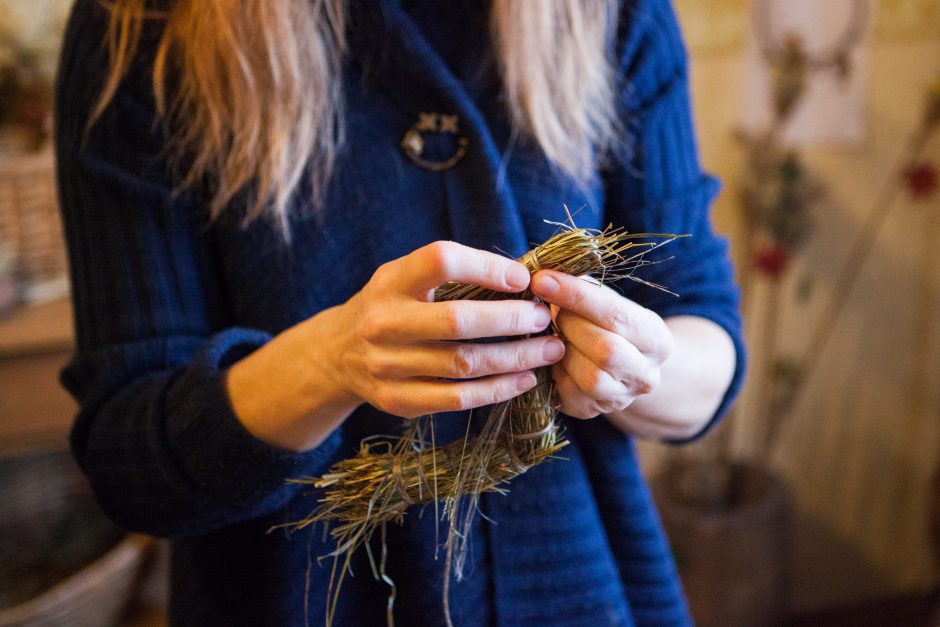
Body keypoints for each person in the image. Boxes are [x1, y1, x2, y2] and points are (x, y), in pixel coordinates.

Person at [55, 0, 744, 625]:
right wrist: (331, 361)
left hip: (580, 591)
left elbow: (705, 333)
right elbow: (129, 462)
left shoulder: (611, 14)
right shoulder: (144, 28)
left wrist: (636, 362)